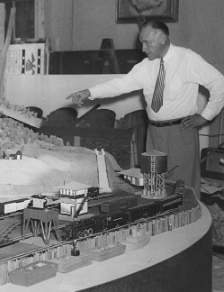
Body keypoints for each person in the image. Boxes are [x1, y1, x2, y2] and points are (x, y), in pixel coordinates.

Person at [66, 20, 224, 199]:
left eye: (147, 42)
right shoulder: (145, 66)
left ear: (162, 38)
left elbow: (219, 83)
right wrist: (89, 92)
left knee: (183, 186)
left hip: (181, 132)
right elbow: (120, 85)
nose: (143, 48)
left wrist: (205, 116)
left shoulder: (187, 59)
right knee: (154, 187)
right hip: (154, 134)